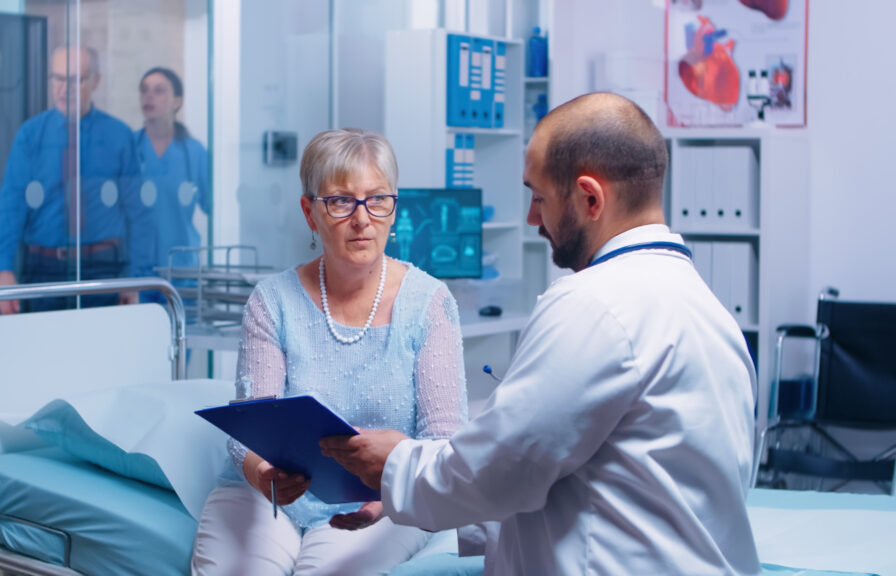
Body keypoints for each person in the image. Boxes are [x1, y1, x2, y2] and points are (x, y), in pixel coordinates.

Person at [322, 93, 761, 575]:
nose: (533, 220)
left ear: (591, 198)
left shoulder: (594, 305)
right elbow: (608, 479)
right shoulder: (707, 309)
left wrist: (395, 463)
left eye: (538, 197)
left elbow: (496, 473)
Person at [191, 128, 468, 575]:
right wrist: (264, 474)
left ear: (394, 207)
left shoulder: (431, 303)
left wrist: (386, 498)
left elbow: (443, 443)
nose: (363, 218)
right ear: (309, 212)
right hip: (270, 489)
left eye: (377, 199)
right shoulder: (271, 300)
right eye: (341, 201)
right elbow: (247, 425)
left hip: (389, 496)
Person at [0, 46, 153, 313]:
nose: (64, 88)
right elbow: (12, 205)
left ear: (95, 81)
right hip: (43, 271)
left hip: (104, 270)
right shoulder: (30, 135)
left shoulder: (119, 136)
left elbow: (138, 214)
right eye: (58, 78)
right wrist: (4, 269)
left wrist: (135, 278)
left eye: (76, 79)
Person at [135, 67, 210, 278]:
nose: (149, 96)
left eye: (159, 90)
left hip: (181, 267)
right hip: (137, 269)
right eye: (144, 90)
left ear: (177, 101)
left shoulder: (194, 152)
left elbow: (212, 205)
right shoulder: (129, 147)